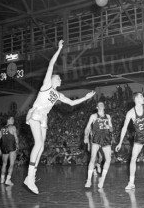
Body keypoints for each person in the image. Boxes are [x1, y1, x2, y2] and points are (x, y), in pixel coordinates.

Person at [23, 39, 96, 194]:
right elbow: (51, 65)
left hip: (44, 117)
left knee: (42, 146)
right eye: (59, 77)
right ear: (52, 79)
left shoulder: (57, 94)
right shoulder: (46, 85)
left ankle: (30, 177)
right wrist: (59, 49)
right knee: (38, 144)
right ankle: (30, 177)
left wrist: (86, 97)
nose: (61, 79)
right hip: (36, 113)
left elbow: (71, 103)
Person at [84, 102, 113, 189]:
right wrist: (85, 137)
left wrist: (109, 128)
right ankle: (89, 180)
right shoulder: (93, 116)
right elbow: (87, 127)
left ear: (104, 106)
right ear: (97, 107)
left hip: (106, 138)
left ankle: (102, 179)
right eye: (99, 104)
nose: (101, 105)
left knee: (108, 159)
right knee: (92, 158)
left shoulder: (108, 116)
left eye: (102, 104)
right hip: (96, 138)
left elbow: (111, 129)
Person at [0, 116, 19, 186]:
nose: (13, 120)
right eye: (12, 119)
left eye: (13, 119)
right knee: (11, 164)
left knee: (4, 164)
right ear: (8, 120)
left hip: (4, 148)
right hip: (12, 147)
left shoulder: (2, 129)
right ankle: (8, 180)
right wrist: (17, 145)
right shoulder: (13, 127)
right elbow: (16, 138)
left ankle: (2, 179)